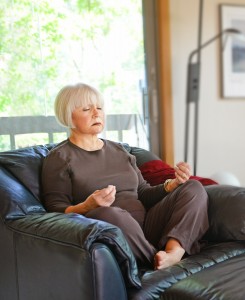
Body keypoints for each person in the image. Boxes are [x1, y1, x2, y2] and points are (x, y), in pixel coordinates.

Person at [41, 82, 209, 270]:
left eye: (100, 108)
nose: (97, 114)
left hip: (147, 223)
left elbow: (143, 193)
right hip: (115, 227)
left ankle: (174, 253)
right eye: (87, 109)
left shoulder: (120, 150)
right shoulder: (59, 158)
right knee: (106, 212)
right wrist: (88, 206)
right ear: (68, 115)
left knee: (193, 187)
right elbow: (55, 210)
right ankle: (153, 258)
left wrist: (172, 184)